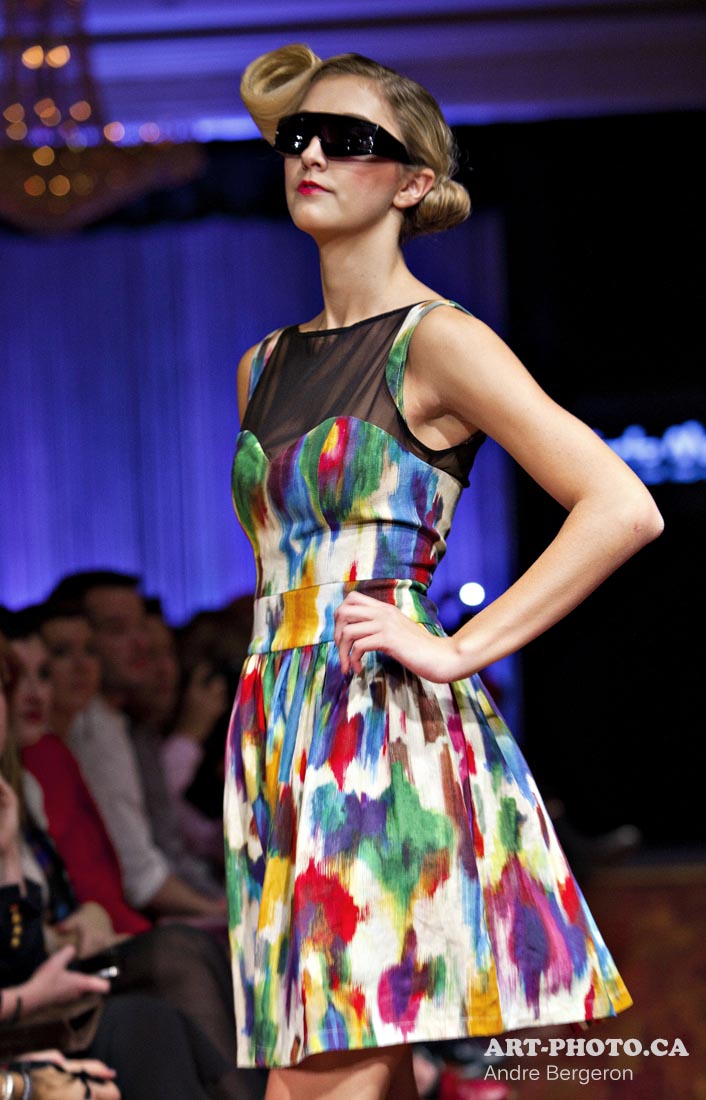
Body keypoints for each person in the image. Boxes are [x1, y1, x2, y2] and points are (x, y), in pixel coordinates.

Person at [223, 43, 665, 1100]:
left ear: (413, 182)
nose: (311, 155)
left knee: (325, 1061)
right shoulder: (263, 364)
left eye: (349, 140)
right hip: (276, 716)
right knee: (332, 1049)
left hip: (377, 723)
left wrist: (459, 647)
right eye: (299, 135)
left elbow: (621, 504)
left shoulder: (438, 342)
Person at [44, 573, 228, 921]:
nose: (140, 644)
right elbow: (140, 877)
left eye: (141, 627)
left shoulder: (123, 724)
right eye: (118, 630)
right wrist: (221, 911)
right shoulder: (89, 730)